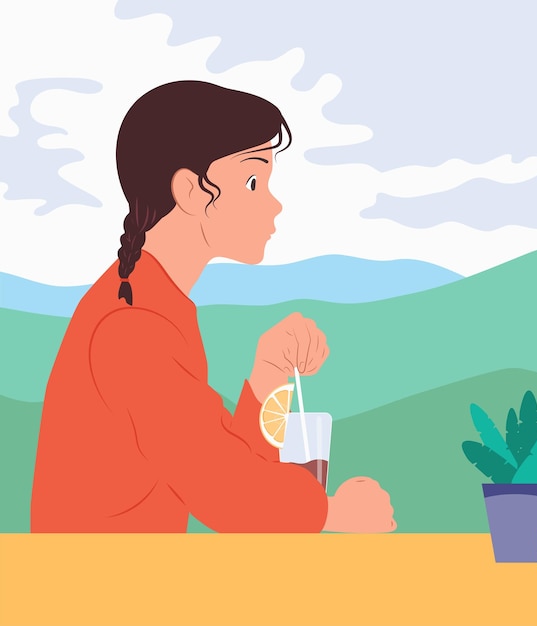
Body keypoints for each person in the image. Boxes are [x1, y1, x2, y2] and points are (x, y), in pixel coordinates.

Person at [31, 80, 396, 533]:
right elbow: (227, 493)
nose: (275, 202)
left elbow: (213, 457)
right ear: (190, 191)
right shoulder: (132, 326)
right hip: (99, 595)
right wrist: (335, 513)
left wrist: (266, 375)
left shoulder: (151, 301)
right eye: (252, 181)